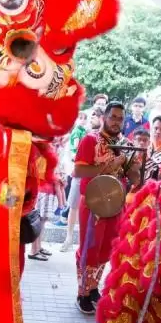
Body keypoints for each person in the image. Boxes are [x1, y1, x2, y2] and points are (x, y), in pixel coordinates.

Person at [74, 100, 141, 314]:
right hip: (93, 203)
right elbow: (79, 172)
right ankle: (82, 292)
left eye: (120, 118)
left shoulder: (126, 144)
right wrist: (108, 166)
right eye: (113, 117)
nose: (116, 122)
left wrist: (135, 169)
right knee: (89, 248)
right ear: (104, 117)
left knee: (106, 249)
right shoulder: (90, 140)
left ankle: (94, 288)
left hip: (116, 203)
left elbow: (133, 177)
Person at [60, 103, 104, 253]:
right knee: (73, 206)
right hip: (79, 174)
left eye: (95, 116)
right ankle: (69, 237)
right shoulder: (83, 132)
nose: (92, 118)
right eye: (91, 116)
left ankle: (84, 241)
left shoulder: (106, 137)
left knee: (90, 210)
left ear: (102, 118)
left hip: (96, 178)